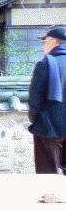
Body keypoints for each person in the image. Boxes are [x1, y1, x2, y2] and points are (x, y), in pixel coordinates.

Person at [27, 25, 66, 174]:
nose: (43, 45)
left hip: (49, 128)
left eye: (44, 41)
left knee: (48, 173)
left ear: (52, 41)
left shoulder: (46, 63)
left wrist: (35, 119)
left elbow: (35, 98)